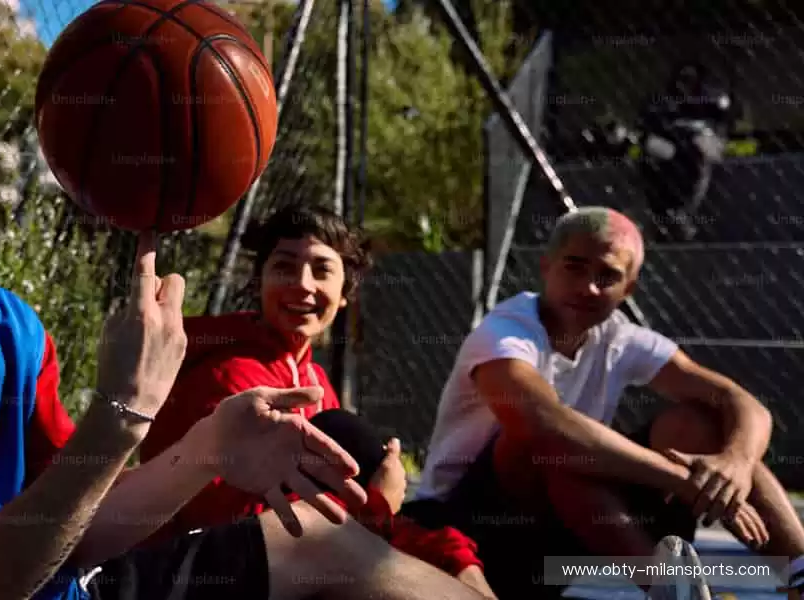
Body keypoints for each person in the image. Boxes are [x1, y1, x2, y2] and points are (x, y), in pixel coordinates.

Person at [0, 31, 494, 600]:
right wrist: (122, 416)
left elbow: (75, 527)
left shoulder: (5, 321)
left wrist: (208, 445)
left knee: (328, 545)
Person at [398, 206, 804, 600]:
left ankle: (799, 572)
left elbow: (741, 402)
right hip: (467, 531)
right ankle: (667, 586)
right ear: (546, 267)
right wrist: (684, 478)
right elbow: (545, 426)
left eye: (608, 275)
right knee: (552, 445)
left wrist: (734, 463)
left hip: (560, 535)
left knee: (704, 425)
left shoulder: (619, 337)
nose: (589, 286)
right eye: (574, 266)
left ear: (628, 289)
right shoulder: (506, 330)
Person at [138, 205, 497, 598]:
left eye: (322, 270)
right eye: (284, 268)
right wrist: (379, 503)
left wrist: (456, 559)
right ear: (260, 280)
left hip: (302, 557)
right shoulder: (232, 377)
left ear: (345, 294)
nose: (302, 284)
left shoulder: (312, 377)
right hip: (202, 577)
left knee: (451, 555)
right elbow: (236, 534)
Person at [638, 62, 737, 242]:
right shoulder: (664, 103)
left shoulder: (711, 101)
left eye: (691, 79)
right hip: (673, 151)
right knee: (656, 147)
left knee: (700, 145)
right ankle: (665, 214)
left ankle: (683, 212)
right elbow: (649, 131)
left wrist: (694, 135)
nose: (685, 84)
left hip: (700, 149)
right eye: (682, 78)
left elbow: (720, 130)